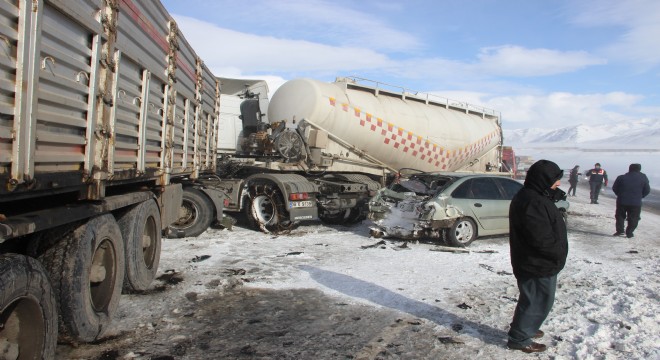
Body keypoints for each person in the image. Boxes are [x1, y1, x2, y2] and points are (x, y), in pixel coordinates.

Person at [507, 159, 568, 353]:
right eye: (555, 179)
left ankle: (527, 328)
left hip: (537, 262)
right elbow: (540, 239)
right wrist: (557, 253)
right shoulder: (532, 202)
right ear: (543, 179)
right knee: (537, 301)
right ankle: (519, 338)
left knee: (534, 299)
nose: (558, 184)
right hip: (536, 263)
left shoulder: (535, 197)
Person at [612, 163, 650, 238]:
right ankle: (629, 232)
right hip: (636, 202)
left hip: (622, 200)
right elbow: (647, 190)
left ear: (630, 168)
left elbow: (614, 188)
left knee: (620, 216)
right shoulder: (643, 177)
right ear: (639, 169)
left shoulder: (621, 177)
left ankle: (620, 231)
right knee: (634, 217)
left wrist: (620, 195)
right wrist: (641, 196)